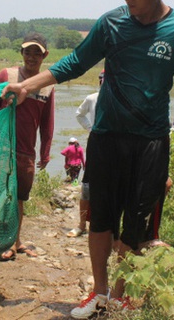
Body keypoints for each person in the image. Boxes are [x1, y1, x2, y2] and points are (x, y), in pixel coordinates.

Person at [2, 0, 174, 317]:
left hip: (150, 142)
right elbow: (75, 62)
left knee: (136, 224)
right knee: (101, 218)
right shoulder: (111, 24)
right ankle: (99, 293)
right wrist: (29, 85)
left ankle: (121, 295)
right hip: (107, 135)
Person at [0, 32, 55, 261]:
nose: (31, 57)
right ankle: (2, 240)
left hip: (26, 150)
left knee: (19, 198)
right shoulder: (8, 75)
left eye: (37, 53)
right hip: (1, 146)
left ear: (45, 55)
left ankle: (14, 240)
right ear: (21, 53)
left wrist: (45, 152)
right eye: (27, 52)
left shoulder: (47, 86)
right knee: (1, 194)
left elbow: (47, 123)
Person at [69, 70, 105, 238]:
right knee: (87, 184)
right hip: (96, 142)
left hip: (117, 143)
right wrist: (91, 128)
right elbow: (79, 114)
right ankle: (82, 224)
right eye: (101, 80)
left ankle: (109, 228)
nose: (103, 82)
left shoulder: (122, 99)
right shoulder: (93, 98)